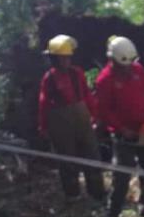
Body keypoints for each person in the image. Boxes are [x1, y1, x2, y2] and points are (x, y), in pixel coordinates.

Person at [95, 36, 144, 217]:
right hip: (122, 134)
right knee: (122, 175)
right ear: (112, 60)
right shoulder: (104, 80)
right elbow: (103, 110)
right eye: (122, 65)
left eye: (128, 65)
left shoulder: (137, 69)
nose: (126, 69)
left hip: (143, 127)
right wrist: (121, 129)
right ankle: (113, 215)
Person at [37, 34, 106, 203]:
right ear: (54, 59)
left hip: (81, 115)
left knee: (91, 153)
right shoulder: (49, 78)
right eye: (62, 58)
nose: (66, 61)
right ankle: (72, 195)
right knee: (67, 158)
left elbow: (87, 95)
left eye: (68, 58)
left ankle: (97, 193)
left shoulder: (77, 73)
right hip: (59, 120)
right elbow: (44, 103)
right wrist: (43, 126)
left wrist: (95, 115)